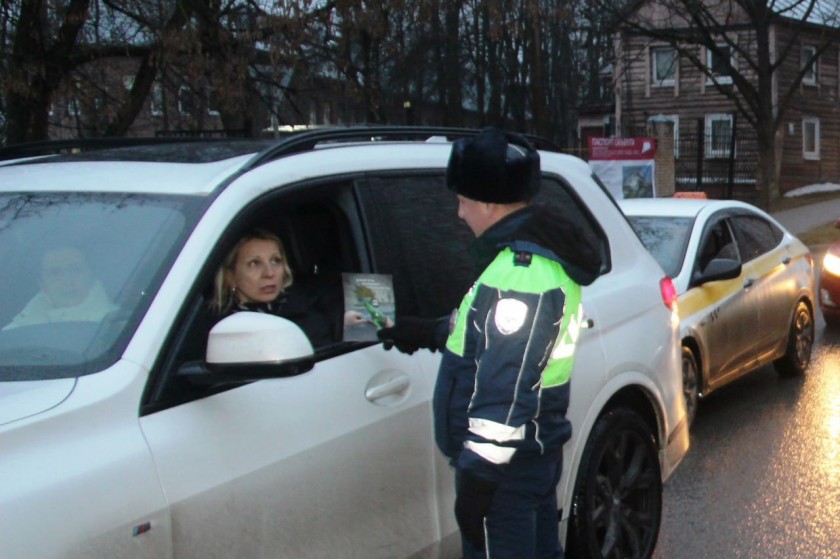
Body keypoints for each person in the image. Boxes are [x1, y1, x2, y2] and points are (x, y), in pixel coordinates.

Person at [378, 128, 602, 558]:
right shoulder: (527, 260)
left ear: (485, 202)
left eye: (462, 201)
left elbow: (508, 381)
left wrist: (480, 473)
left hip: (504, 469)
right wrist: (426, 331)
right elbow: (494, 336)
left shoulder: (520, 272)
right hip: (527, 455)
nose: (460, 214)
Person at [211, 229, 338, 347]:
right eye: (254, 263)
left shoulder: (308, 317)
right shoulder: (212, 328)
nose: (269, 273)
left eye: (275, 260)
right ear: (230, 276)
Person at [3, 246, 116, 330]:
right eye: (54, 273)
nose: (67, 281)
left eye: (75, 270)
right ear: (41, 284)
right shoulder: (14, 332)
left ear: (91, 275)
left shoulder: (119, 326)